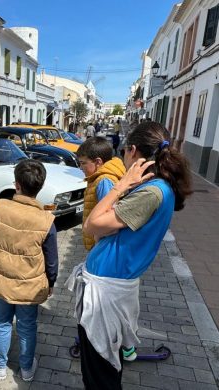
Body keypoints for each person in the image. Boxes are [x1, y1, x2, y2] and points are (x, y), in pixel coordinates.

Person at [67, 121, 193, 389]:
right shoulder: (157, 188)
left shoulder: (151, 191)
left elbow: (92, 225)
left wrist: (120, 185)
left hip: (105, 296)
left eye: (124, 152)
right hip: (110, 289)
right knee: (106, 366)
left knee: (100, 374)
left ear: (132, 151)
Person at [0, 159, 58, 382]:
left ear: (16, 185)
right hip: (29, 286)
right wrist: (51, 282)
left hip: (0, 281)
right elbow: (52, 260)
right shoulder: (47, 221)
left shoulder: (0, 206)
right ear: (40, 186)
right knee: (27, 326)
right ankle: (26, 369)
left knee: (0, 322)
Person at [76, 137, 125, 251]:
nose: (81, 167)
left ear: (98, 162)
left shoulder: (104, 181)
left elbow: (107, 217)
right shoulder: (98, 178)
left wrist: (98, 243)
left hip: (101, 245)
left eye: (83, 163)